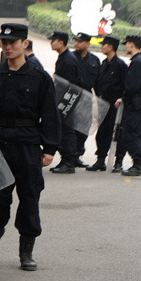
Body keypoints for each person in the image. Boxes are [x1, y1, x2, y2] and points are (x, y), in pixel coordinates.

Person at [0, 23, 60, 271]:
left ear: (24, 44)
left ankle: (26, 251)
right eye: (3, 43)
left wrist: (49, 149)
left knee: (29, 198)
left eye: (12, 43)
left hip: (26, 145)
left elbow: (50, 115)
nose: (7, 47)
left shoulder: (39, 78)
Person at [86, 36, 126, 172]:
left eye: (104, 45)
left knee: (116, 133)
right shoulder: (104, 64)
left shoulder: (120, 65)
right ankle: (101, 160)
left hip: (115, 104)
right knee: (102, 131)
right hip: (104, 102)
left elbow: (125, 85)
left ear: (110, 47)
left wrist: (121, 99)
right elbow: (98, 82)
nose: (102, 47)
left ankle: (118, 161)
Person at [115, 35, 141, 177]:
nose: (126, 47)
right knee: (138, 131)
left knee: (133, 132)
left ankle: (137, 165)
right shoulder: (140, 61)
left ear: (131, 44)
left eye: (127, 44)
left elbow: (132, 86)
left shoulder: (137, 62)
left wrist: (123, 98)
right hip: (140, 103)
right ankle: (137, 163)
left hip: (135, 104)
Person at [49, 30, 81, 174]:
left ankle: (69, 161)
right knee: (63, 129)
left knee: (67, 130)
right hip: (63, 99)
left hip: (66, 100)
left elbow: (68, 84)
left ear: (61, 42)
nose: (51, 43)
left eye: (53, 40)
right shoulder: (64, 57)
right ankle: (65, 159)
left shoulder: (68, 60)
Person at [72, 33, 100, 168]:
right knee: (70, 126)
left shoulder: (94, 60)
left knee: (84, 126)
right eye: (75, 41)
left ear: (87, 44)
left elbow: (98, 82)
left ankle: (77, 154)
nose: (76, 44)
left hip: (87, 97)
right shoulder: (70, 58)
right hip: (72, 95)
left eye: (79, 41)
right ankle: (69, 154)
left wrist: (100, 98)